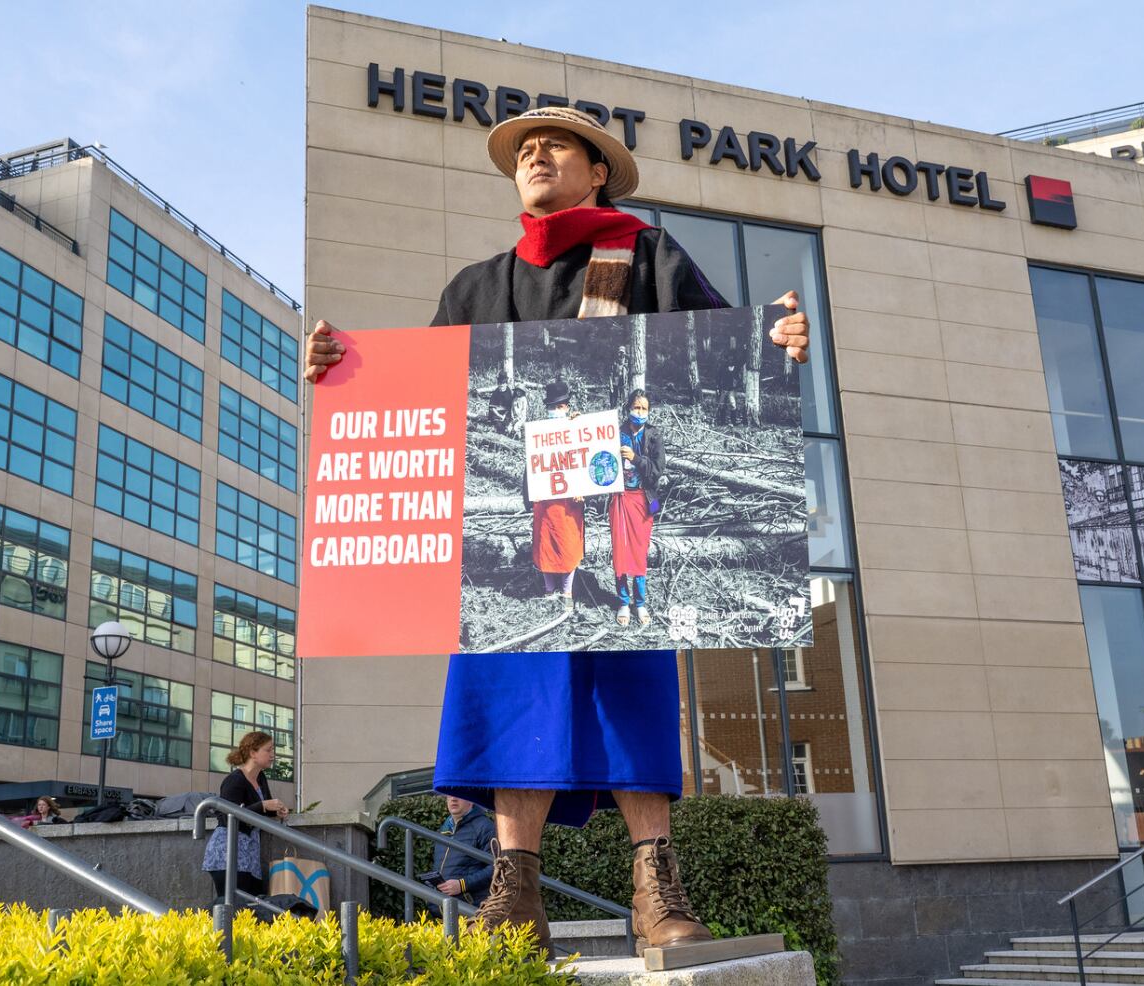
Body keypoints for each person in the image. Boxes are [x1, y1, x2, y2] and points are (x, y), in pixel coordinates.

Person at [303, 105, 809, 955]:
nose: (534, 156)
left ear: (597, 171)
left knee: (631, 688)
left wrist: (780, 337)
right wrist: (342, 372)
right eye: (523, 152)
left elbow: (730, 343)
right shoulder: (473, 287)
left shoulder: (647, 257)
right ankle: (515, 893)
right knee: (506, 694)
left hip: (623, 506)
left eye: (555, 146)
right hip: (533, 508)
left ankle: (655, 887)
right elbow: (419, 399)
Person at [201, 730, 289, 901]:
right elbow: (228, 816)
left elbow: (258, 810)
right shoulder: (234, 780)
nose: (273, 755)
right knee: (233, 906)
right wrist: (263, 805)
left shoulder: (260, 777)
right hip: (227, 853)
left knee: (251, 907)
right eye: (268, 750)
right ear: (253, 753)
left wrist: (275, 810)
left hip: (248, 854)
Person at [530, 380, 584, 613]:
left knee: (568, 545)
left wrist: (583, 489)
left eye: (560, 406)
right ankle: (549, 591)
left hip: (569, 500)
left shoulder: (576, 426)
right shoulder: (539, 434)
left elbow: (584, 457)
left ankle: (567, 591)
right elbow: (532, 464)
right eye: (552, 407)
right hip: (545, 498)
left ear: (567, 407)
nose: (556, 410)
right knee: (545, 544)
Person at [612, 389, 664, 628]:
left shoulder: (654, 436)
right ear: (628, 408)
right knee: (621, 550)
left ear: (649, 411)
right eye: (636, 407)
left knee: (640, 551)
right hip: (620, 499)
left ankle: (640, 602)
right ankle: (623, 602)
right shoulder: (616, 432)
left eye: (644, 408)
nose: (640, 412)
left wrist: (634, 458)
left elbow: (656, 471)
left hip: (645, 500)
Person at [431, 795, 497, 906]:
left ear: (471, 800)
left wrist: (462, 885)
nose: (453, 799)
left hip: (472, 910)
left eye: (459, 794)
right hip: (443, 909)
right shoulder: (443, 830)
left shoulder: (484, 827)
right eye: (449, 794)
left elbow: (497, 867)